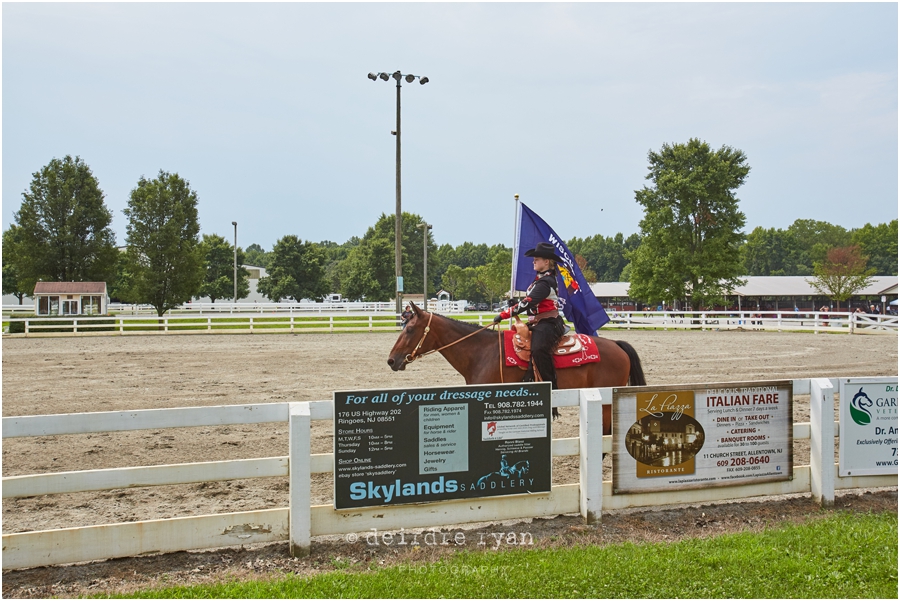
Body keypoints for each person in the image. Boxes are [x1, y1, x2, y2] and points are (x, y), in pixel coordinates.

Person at [493, 242, 566, 389]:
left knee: (539, 350)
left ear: (546, 262)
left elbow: (529, 302)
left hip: (548, 323)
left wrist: (504, 314)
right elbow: (532, 302)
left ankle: (550, 388)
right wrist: (516, 303)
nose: (533, 261)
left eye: (537, 259)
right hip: (538, 323)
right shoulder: (540, 280)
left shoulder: (546, 282)